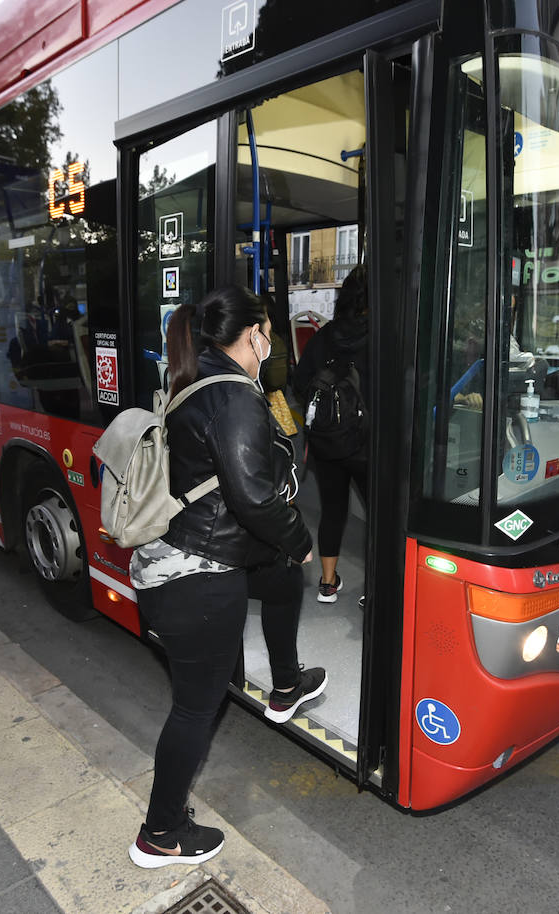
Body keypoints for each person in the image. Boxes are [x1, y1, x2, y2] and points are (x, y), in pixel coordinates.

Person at [128, 286, 323, 868]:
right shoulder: (233, 397)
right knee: (196, 709)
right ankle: (160, 833)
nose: (273, 343)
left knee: (281, 583)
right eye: (269, 333)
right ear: (253, 334)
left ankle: (286, 684)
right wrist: (300, 542)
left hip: (183, 556)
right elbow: (254, 498)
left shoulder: (198, 377)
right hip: (200, 577)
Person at [292, 266, 370, 603]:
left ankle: (327, 583)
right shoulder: (382, 336)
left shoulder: (324, 336)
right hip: (367, 444)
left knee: (333, 510)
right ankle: (377, 588)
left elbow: (299, 383)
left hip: (327, 443)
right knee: (380, 515)